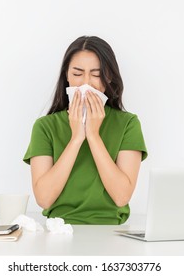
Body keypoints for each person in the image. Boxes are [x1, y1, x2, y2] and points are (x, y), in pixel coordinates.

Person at [23, 36, 147, 225]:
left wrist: (93, 135)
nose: (86, 83)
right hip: (59, 230)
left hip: (110, 231)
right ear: (67, 75)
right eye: (78, 73)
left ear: (109, 77)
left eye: (96, 74)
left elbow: (121, 197)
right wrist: (76, 138)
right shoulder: (45, 126)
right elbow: (44, 199)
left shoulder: (128, 124)